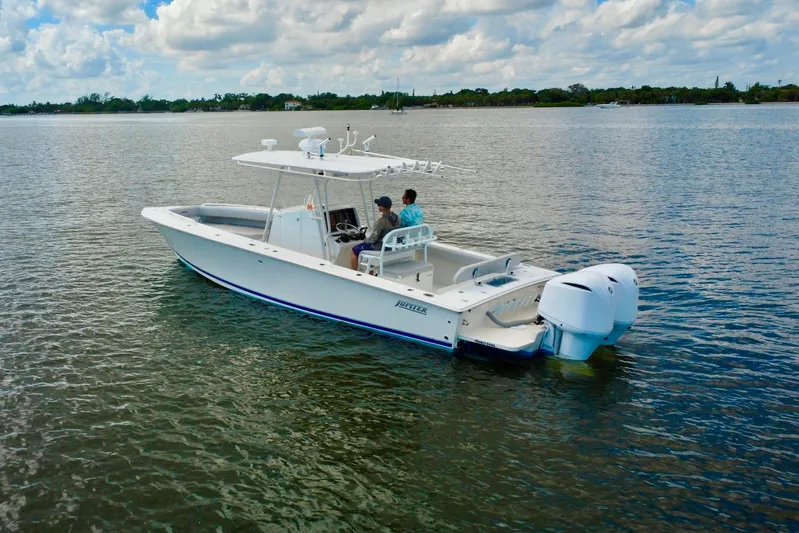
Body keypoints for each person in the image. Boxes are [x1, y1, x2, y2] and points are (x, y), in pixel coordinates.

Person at [350, 196, 400, 270]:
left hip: (379, 247)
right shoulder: (397, 218)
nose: (378, 206)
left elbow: (372, 240)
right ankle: (370, 271)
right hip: (391, 245)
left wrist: (364, 239)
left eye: (379, 204)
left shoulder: (381, 221)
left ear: (382, 208)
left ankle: (353, 273)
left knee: (354, 250)